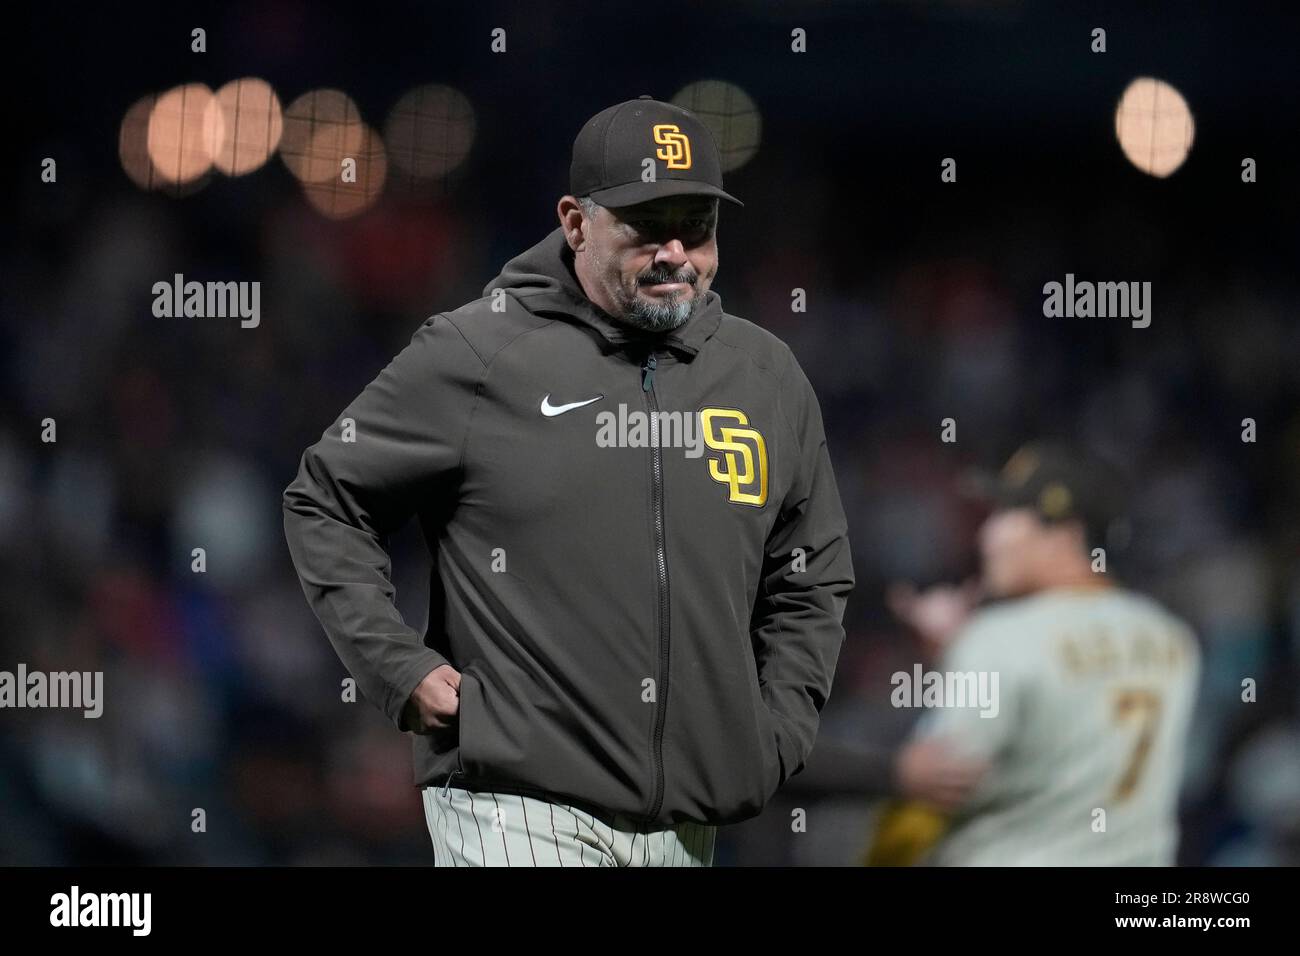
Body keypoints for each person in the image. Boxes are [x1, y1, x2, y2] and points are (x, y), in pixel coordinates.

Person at [282, 95, 855, 866]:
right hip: (517, 802)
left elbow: (810, 574)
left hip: (687, 825)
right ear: (576, 222)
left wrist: (775, 732)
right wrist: (395, 666)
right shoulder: (479, 352)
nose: (676, 253)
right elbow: (325, 499)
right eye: (647, 228)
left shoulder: (764, 376)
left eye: (699, 227)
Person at [866, 442, 1201, 865]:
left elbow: (924, 803)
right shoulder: (1172, 638)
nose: (987, 535)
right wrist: (957, 655)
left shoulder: (997, 640)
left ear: (1065, 532)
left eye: (1006, 515)